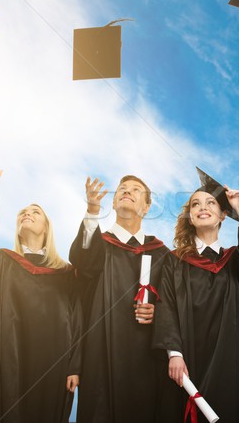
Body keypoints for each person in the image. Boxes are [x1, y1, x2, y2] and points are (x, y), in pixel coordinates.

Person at [0, 162, 80, 423]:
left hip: (55, 359)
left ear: (47, 228)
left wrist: (75, 365)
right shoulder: (2, 262)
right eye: (22, 212)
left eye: (35, 212)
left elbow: (79, 319)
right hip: (10, 355)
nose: (27, 214)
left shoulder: (66, 274)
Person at [153, 172, 239, 423]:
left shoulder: (234, 260)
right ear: (190, 218)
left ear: (223, 215)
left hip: (227, 354)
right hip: (188, 355)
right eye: (195, 204)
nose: (202, 207)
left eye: (210, 203)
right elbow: (167, 304)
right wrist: (174, 354)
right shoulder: (174, 260)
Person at [69, 175, 170, 423]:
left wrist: (159, 313)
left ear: (146, 207)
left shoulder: (162, 254)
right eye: (122, 189)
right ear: (113, 203)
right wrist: (92, 211)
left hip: (145, 360)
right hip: (99, 354)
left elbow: (174, 302)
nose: (127, 192)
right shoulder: (99, 245)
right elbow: (81, 260)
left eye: (136, 190)